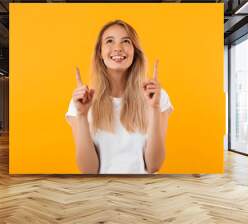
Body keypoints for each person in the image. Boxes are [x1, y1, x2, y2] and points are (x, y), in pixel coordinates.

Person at [66, 20, 173, 174]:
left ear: (135, 52)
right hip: (99, 193)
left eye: (126, 41)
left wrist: (154, 108)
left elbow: (154, 165)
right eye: (109, 41)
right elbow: (88, 170)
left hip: (143, 193)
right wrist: (82, 115)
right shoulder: (81, 101)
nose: (117, 48)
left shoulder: (156, 97)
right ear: (100, 53)